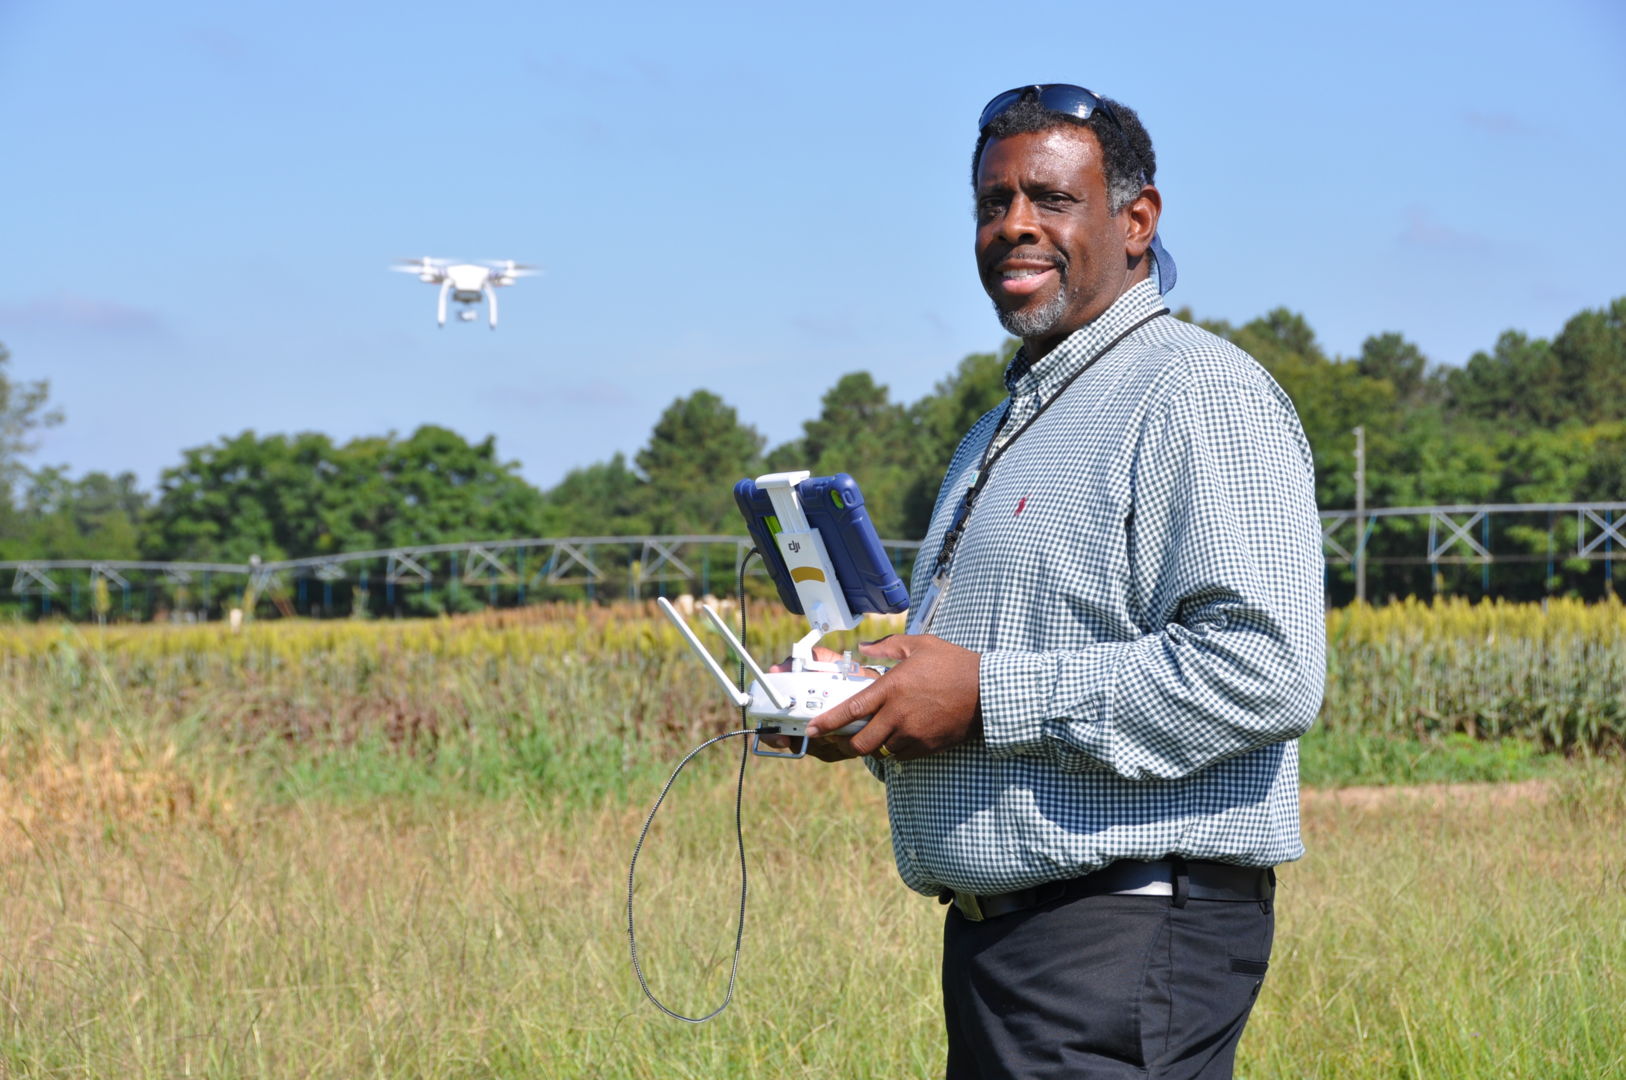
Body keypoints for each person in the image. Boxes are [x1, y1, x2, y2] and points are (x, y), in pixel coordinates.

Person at [796, 85, 1326, 1079]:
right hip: (1016, 946)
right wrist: (878, 715)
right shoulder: (999, 430)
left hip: (1121, 941)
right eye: (992, 204)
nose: (1014, 226)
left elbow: (1268, 668)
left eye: (1049, 198)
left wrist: (987, 695)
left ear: (1137, 221)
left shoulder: (1192, 391)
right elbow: (967, 684)